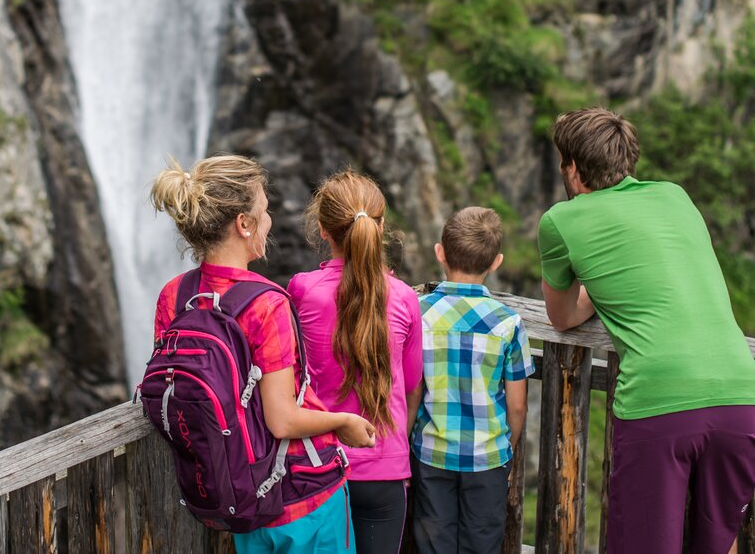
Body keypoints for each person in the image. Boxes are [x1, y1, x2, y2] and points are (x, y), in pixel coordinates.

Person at [538, 106, 755, 554]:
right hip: (741, 394)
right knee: (719, 543)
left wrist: (603, 289)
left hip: (660, 401)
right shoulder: (676, 196)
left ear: (574, 169)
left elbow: (560, 316)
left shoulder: (561, 220)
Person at [151, 154, 376, 553]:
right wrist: (343, 421)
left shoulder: (175, 296)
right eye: (265, 210)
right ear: (244, 224)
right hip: (304, 496)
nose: (269, 220)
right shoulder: (266, 304)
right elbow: (283, 420)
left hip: (239, 493)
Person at [287, 170, 423, 554]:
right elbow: (411, 382)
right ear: (380, 228)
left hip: (318, 466)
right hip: (384, 469)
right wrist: (398, 453)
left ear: (323, 229)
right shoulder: (403, 298)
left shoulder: (301, 290)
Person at [410, 206, 533, 554]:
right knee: (483, 543)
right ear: (496, 262)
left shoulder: (419, 314)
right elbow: (518, 406)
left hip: (432, 454)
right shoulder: (509, 323)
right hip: (488, 458)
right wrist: (506, 449)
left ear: (440, 253)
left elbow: (413, 390)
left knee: (434, 545)